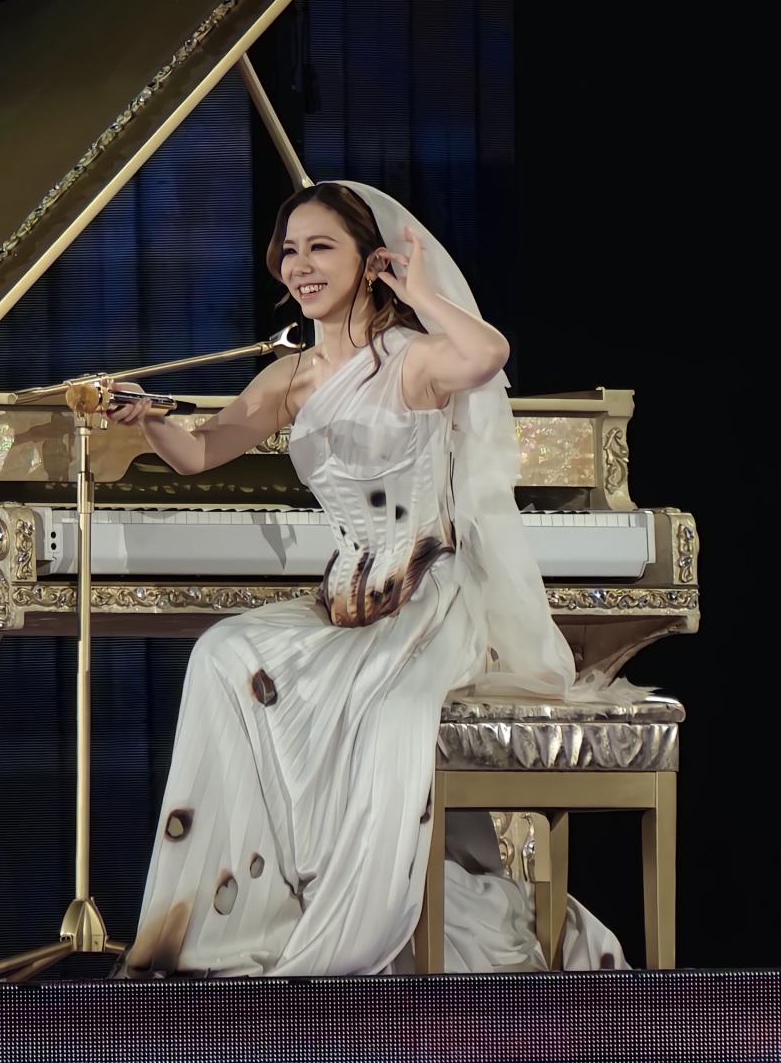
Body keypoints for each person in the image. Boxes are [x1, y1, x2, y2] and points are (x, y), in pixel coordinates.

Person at [110, 181, 627, 975]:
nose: (301, 265)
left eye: (322, 247)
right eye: (290, 250)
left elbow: (488, 354)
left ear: (367, 259)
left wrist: (420, 294)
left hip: (425, 601)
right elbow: (203, 450)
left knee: (392, 717)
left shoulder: (412, 359)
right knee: (221, 654)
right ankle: (258, 910)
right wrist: (150, 418)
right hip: (344, 604)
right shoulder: (291, 378)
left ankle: (360, 929)